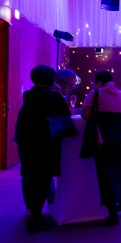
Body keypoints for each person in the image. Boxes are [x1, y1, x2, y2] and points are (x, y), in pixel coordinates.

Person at [14, 65, 72, 232]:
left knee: (30, 177)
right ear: (52, 79)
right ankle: (36, 218)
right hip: (46, 143)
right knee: (43, 179)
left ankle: (32, 212)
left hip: (27, 142)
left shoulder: (29, 95)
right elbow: (65, 117)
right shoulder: (54, 96)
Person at [82, 71, 121, 226]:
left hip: (104, 140)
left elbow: (85, 115)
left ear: (99, 82)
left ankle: (111, 212)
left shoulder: (95, 93)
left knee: (105, 174)